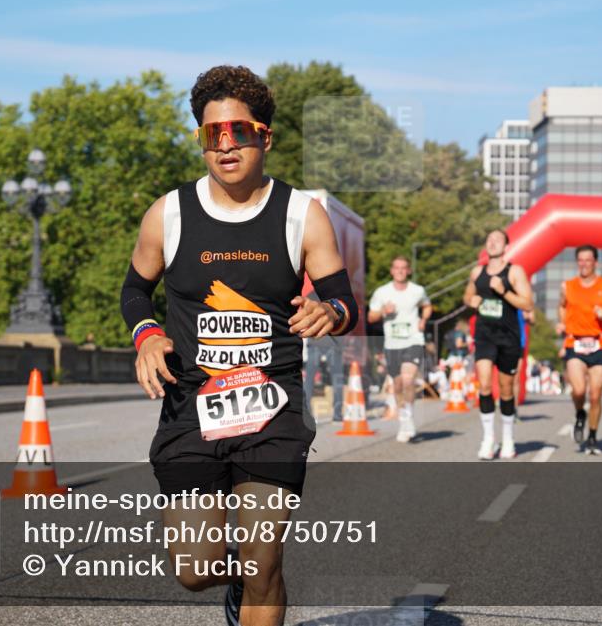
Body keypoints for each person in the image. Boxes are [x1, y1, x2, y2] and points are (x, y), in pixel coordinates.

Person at [120, 66, 358, 626]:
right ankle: (240, 581)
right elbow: (135, 289)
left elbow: (344, 302)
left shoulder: (302, 214)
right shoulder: (169, 213)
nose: (225, 145)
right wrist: (148, 334)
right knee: (193, 568)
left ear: (264, 137)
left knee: (264, 558)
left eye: (239, 131)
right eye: (212, 135)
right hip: (190, 407)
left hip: (273, 408)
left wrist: (331, 311)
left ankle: (257, 578)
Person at [463, 229, 534, 460]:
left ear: (506, 247)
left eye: (498, 240)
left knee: (505, 389)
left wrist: (504, 292)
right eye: (489, 239)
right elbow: (468, 296)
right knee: (484, 384)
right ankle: (488, 439)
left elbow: (527, 304)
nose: (492, 243)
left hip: (508, 336)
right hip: (484, 335)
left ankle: (508, 437)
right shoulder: (477, 271)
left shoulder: (514, 272)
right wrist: (471, 300)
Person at [556, 245, 602, 455]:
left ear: (596, 262)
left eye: (588, 260)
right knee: (578, 390)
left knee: (595, 395)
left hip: (599, 343)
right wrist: (563, 324)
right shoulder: (567, 286)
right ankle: (579, 414)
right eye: (580, 260)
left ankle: (593, 436)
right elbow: (561, 306)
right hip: (575, 343)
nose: (584, 264)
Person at [368, 256, 432, 442]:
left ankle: (408, 416)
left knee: (408, 379)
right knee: (397, 385)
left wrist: (423, 319)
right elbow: (371, 317)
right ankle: (404, 419)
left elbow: (427, 306)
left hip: (413, 340)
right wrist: (383, 312)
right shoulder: (382, 292)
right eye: (397, 268)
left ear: (409, 271)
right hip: (392, 343)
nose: (400, 271)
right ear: (392, 270)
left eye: (404, 268)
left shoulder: (418, 290)